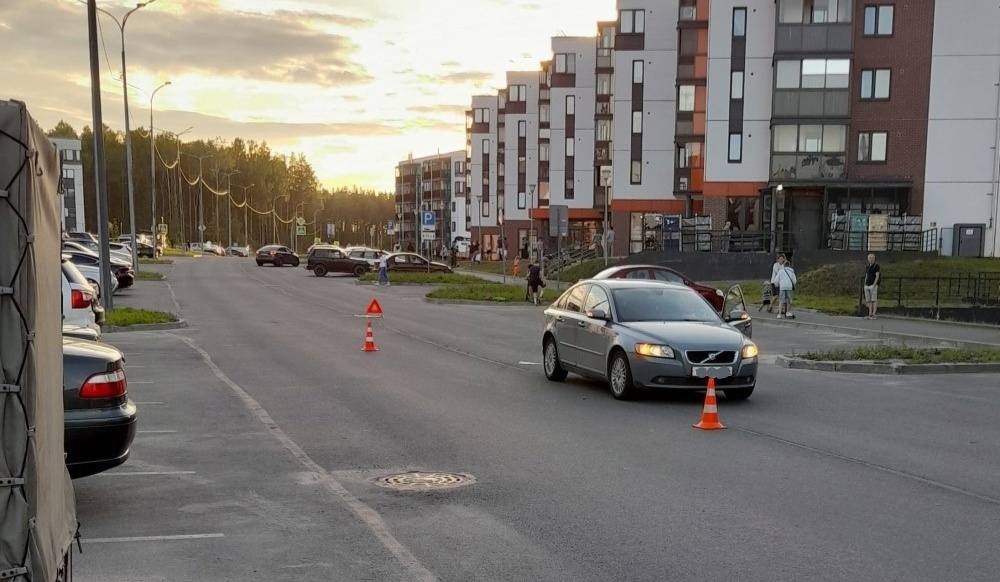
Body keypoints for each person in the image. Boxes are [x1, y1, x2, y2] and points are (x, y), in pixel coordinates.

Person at [864, 253, 881, 319]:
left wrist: (874, 284)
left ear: (874, 259)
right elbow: (866, 275)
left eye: (872, 258)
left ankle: (874, 313)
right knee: (868, 300)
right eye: (870, 258)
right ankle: (870, 313)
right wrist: (865, 283)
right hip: (867, 284)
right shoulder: (867, 266)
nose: (871, 259)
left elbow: (877, 276)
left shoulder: (876, 266)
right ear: (868, 259)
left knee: (874, 299)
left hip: (873, 284)